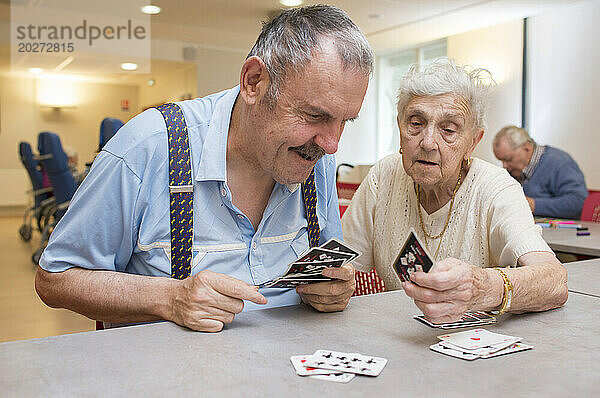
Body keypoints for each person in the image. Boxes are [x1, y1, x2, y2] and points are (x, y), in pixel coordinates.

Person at [35, 5, 374, 332]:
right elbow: (56, 279)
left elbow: (331, 269)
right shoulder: (149, 146)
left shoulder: (315, 155)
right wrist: (170, 297)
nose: (332, 145)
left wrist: (335, 290)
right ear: (254, 82)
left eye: (345, 121)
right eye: (315, 116)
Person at [342, 59, 567, 324]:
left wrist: (483, 287)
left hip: (476, 350)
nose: (427, 142)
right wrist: (334, 285)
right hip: (396, 343)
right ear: (399, 127)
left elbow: (554, 280)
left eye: (448, 130)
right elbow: (347, 264)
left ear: (473, 142)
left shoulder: (496, 187)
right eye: (415, 123)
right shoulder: (384, 175)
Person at [492, 125, 588, 219]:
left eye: (508, 159)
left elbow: (578, 203)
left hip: (560, 231)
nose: (504, 166)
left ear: (527, 148)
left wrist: (532, 204)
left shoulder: (560, 162)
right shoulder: (514, 170)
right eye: (501, 161)